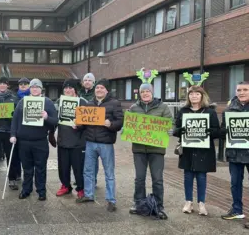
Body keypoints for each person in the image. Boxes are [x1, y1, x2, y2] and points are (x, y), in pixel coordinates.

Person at [77, 79, 123, 213]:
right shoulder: (89, 103)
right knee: (88, 171)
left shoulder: (114, 103)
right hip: (90, 142)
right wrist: (78, 125)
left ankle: (111, 200)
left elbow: (120, 122)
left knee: (109, 172)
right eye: (97, 88)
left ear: (107, 90)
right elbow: (85, 123)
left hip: (106, 143)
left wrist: (111, 124)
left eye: (102, 88)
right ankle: (89, 194)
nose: (99, 90)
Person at [173, 85, 219, 217]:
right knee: (188, 176)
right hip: (188, 149)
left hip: (203, 150)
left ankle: (201, 204)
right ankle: (188, 202)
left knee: (201, 176)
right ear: (188, 96)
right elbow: (176, 129)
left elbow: (217, 131)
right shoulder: (183, 111)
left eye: (197, 94)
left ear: (202, 96)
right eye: (191, 94)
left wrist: (211, 132)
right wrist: (179, 131)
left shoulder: (210, 112)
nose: (194, 96)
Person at [128, 83, 173, 219]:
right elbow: (129, 123)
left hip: (157, 149)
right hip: (139, 149)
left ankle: (159, 206)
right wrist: (126, 129)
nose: (145, 94)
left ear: (152, 92)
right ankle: (139, 203)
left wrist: (170, 129)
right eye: (143, 92)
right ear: (139, 94)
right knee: (139, 179)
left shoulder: (163, 107)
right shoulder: (134, 108)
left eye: (148, 91)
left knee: (157, 179)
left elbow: (170, 122)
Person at [10, 78, 58, 201]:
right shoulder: (22, 102)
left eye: (37, 87)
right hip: (24, 141)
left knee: (40, 168)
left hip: (40, 141)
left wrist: (47, 117)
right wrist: (13, 134)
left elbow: (55, 121)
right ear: (29, 89)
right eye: (32, 87)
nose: (35, 89)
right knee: (27, 168)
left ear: (41, 89)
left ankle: (41, 191)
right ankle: (26, 189)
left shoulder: (47, 102)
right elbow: (15, 120)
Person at [51, 79, 86, 199]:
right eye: (66, 87)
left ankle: (81, 188)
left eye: (71, 87)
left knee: (79, 167)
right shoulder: (59, 102)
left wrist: (81, 125)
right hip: (63, 140)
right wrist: (51, 134)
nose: (68, 90)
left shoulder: (82, 102)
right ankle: (65, 186)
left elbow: (90, 122)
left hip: (78, 141)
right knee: (63, 166)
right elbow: (54, 119)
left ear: (75, 90)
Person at [221, 81, 249, 225]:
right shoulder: (229, 109)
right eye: (239, 90)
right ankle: (237, 210)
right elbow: (223, 129)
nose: (242, 92)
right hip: (235, 152)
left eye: (245, 89)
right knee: (235, 183)